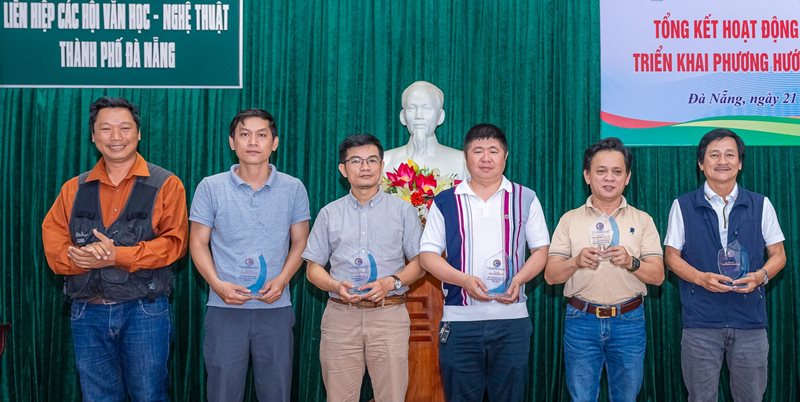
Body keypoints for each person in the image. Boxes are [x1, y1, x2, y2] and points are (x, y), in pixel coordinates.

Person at [41, 96, 188, 401]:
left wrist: (116, 256)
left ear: (139, 133)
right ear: (93, 136)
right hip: (87, 311)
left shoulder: (167, 184)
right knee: (97, 397)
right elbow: (54, 243)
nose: (116, 137)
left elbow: (174, 243)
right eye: (106, 129)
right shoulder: (73, 188)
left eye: (124, 128)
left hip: (144, 310)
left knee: (149, 395)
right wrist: (80, 259)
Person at [419, 123, 550, 402]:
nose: (486, 158)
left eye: (493, 150)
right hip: (460, 322)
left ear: (506, 156)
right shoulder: (445, 201)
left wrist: (519, 280)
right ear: (466, 157)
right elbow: (428, 256)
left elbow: (541, 250)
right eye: (478, 151)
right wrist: (464, 280)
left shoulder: (525, 198)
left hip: (511, 322)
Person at [189, 109, 310, 402]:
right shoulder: (210, 187)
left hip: (275, 307)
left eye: (261, 135)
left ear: (274, 142)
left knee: (276, 393)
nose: (253, 142)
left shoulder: (293, 188)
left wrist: (282, 280)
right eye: (244, 134)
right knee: (222, 393)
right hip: (225, 308)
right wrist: (217, 284)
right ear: (232, 142)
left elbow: (301, 242)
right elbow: (198, 243)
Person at [664, 128, 785, 402]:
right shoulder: (682, 205)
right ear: (701, 163)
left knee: (751, 397)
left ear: (740, 163)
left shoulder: (761, 204)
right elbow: (671, 257)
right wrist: (700, 278)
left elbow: (779, 254)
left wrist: (760, 276)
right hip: (700, 322)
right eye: (714, 155)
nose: (722, 161)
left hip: (750, 321)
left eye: (730, 155)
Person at [303, 133, 424, 402]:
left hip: (389, 315)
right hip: (340, 317)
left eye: (372, 160)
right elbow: (313, 269)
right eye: (356, 161)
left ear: (382, 166)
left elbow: (420, 264)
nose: (365, 167)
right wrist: (335, 285)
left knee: (391, 397)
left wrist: (392, 282)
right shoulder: (329, 213)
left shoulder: (403, 211)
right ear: (343, 169)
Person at [544, 138, 664, 402]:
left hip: (629, 321)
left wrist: (632, 262)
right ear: (587, 176)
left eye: (617, 172)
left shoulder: (643, 220)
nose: (609, 178)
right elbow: (551, 276)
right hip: (581, 320)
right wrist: (575, 262)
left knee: (627, 398)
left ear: (627, 177)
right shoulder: (569, 220)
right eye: (601, 171)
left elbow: (658, 276)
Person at [382, 81, 467, 179]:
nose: (419, 116)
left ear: (440, 116)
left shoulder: (461, 162)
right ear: (402, 117)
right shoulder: (385, 161)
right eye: (411, 108)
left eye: (427, 108)